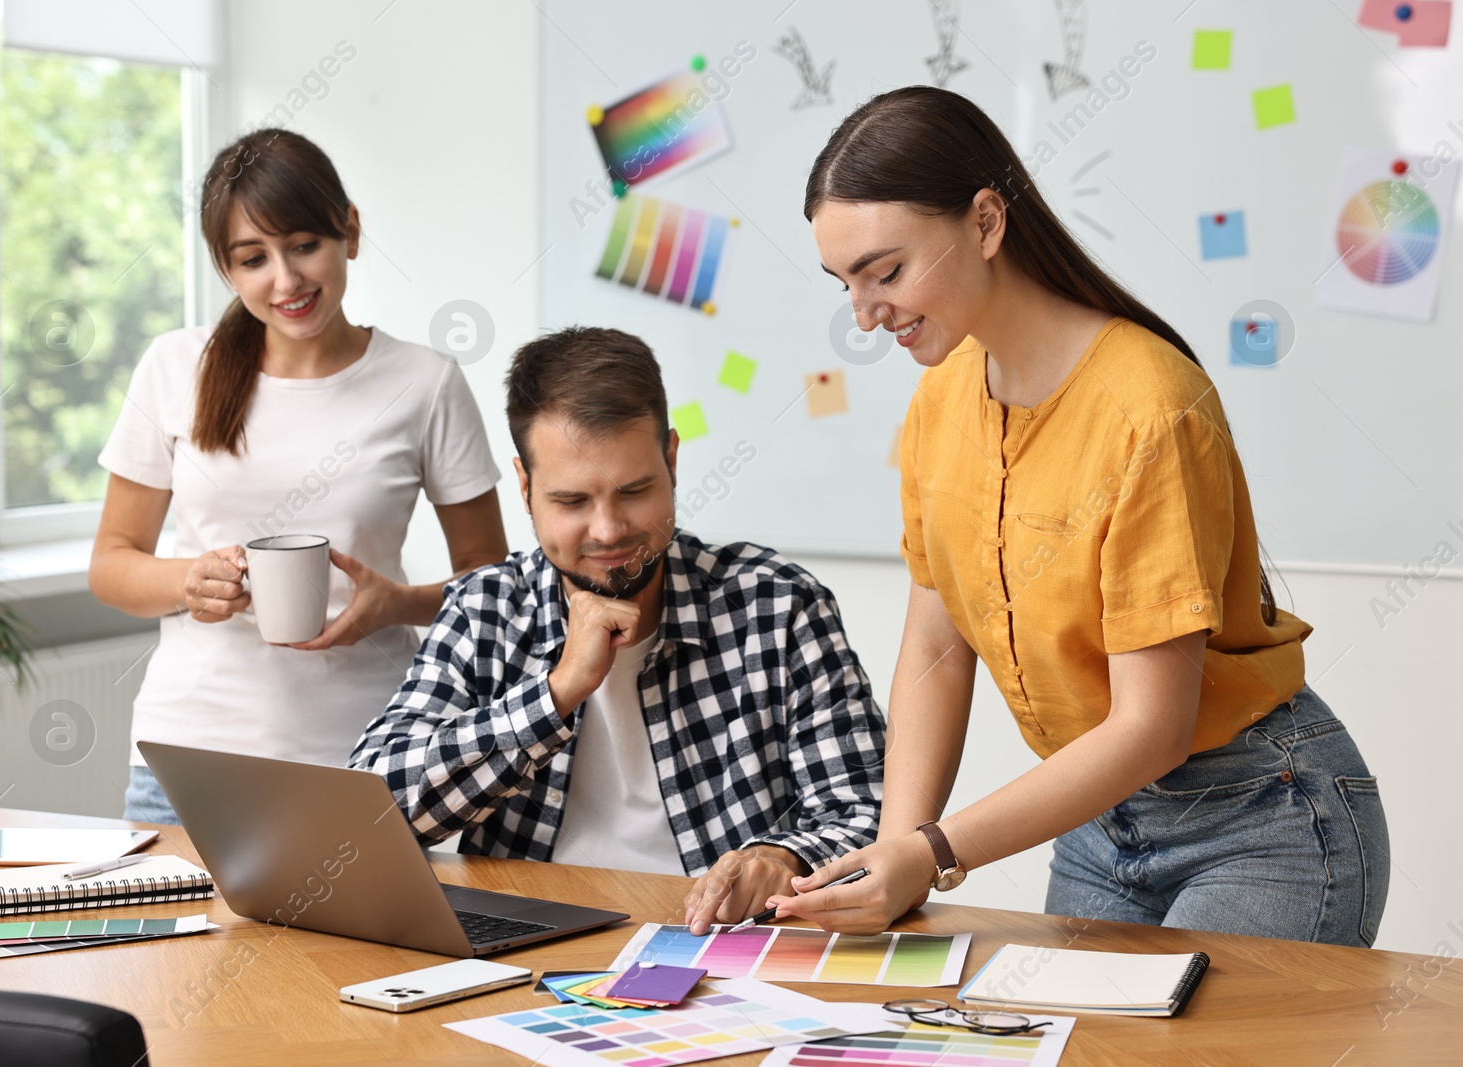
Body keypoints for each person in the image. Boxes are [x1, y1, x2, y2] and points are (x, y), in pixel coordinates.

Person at [768, 87, 1389, 947]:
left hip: (1261, 817)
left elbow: (1152, 725)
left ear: (986, 222)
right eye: (846, 283)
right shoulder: (940, 398)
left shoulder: (1152, 405)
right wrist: (893, 855)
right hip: (1101, 820)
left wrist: (936, 851)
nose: (864, 315)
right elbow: (937, 646)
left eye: (887, 271)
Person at [349, 326, 884, 930]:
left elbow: (872, 811)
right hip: (528, 949)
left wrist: (786, 855)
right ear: (525, 488)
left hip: (720, 947)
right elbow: (365, 812)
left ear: (673, 461)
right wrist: (552, 696)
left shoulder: (778, 605)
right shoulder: (486, 608)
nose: (607, 531)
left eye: (634, 491)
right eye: (572, 502)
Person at [91, 129, 508, 824]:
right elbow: (111, 564)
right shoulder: (173, 367)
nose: (285, 282)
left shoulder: (425, 382)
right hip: (187, 763)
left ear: (348, 230)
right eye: (253, 259)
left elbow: (492, 583)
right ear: (226, 269)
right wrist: (185, 580)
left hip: (368, 758)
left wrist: (397, 603)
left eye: (304, 246)